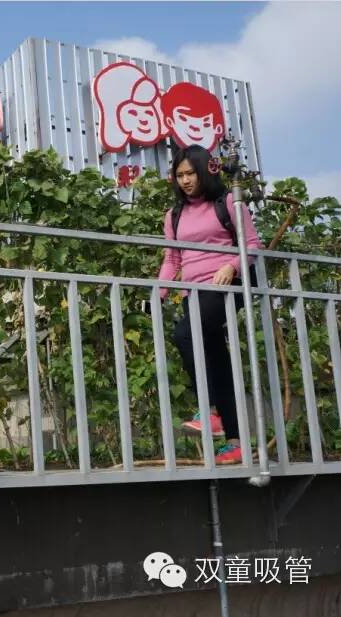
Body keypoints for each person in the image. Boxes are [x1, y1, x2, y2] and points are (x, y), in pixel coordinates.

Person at [157, 145, 261, 465]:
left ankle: (212, 410)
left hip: (224, 286)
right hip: (193, 292)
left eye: (191, 173)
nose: (186, 180)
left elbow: (251, 244)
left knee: (184, 334)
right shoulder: (174, 215)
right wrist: (158, 294)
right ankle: (236, 441)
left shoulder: (227, 202)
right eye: (180, 175)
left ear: (204, 171)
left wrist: (232, 265)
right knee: (217, 361)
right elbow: (172, 259)